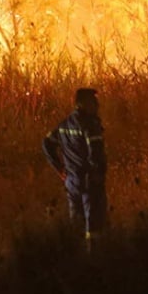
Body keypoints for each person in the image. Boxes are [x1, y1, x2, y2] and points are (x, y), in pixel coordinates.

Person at [42, 87, 107, 247]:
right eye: (94, 101)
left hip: (71, 181)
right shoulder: (90, 126)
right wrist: (98, 174)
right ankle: (94, 255)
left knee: (76, 224)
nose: (97, 105)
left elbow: (47, 143)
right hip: (89, 182)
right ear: (84, 103)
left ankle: (76, 255)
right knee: (94, 226)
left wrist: (60, 169)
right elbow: (96, 154)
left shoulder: (65, 124)